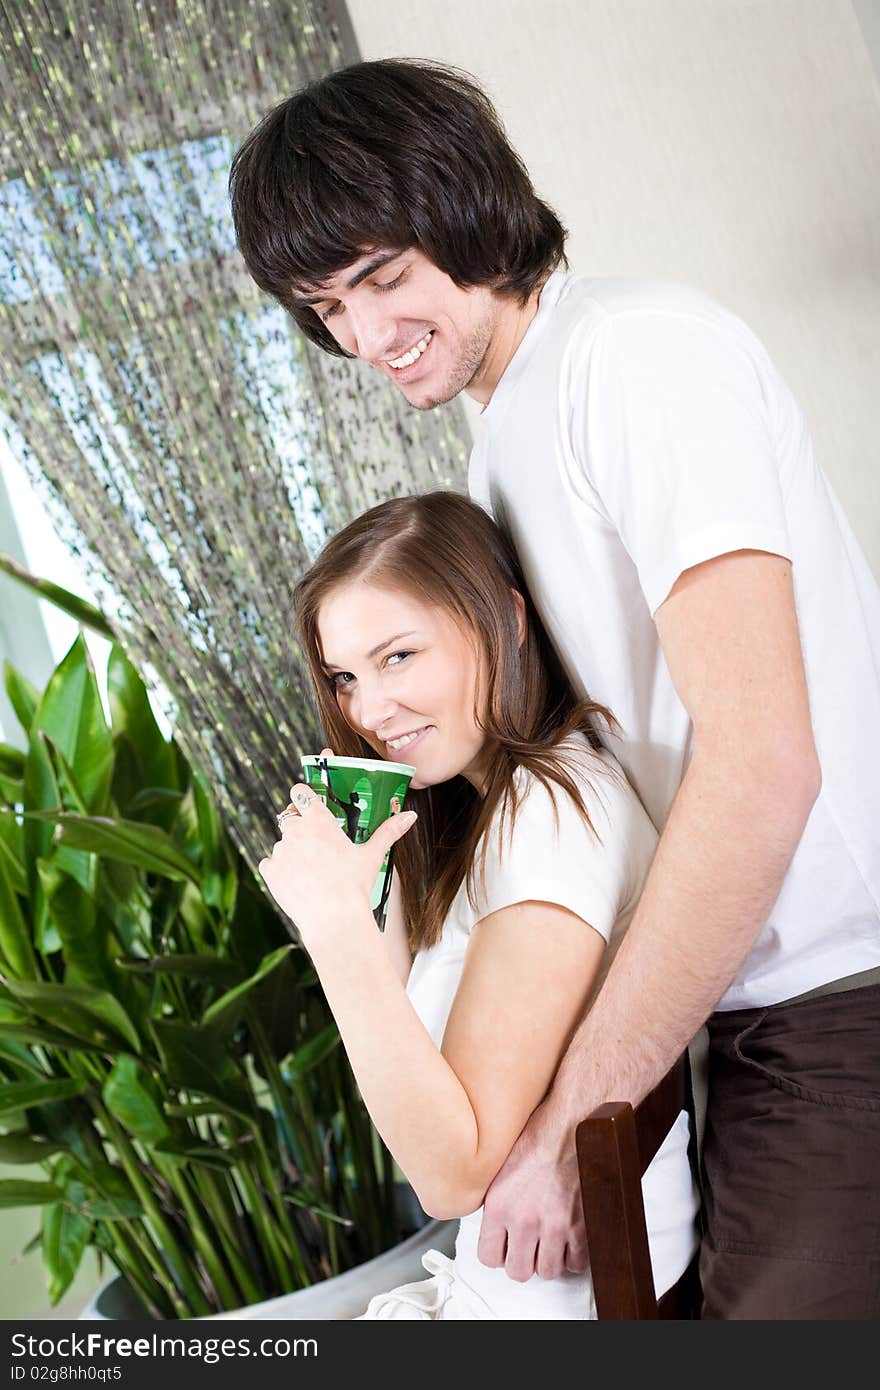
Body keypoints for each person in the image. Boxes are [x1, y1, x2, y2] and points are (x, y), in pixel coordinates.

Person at [231, 59, 880, 1318]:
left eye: (380, 278)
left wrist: (573, 1121)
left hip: (839, 999)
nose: (363, 339)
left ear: (468, 207)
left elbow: (761, 766)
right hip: (729, 1009)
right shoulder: (498, 442)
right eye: (325, 307)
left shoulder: (635, 357)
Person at [259, 491, 699, 1319]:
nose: (370, 711)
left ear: (507, 618)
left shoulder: (550, 819)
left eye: (399, 657)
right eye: (346, 677)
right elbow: (406, 1059)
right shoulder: (500, 809)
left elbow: (449, 1174)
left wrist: (332, 927)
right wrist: (358, 888)